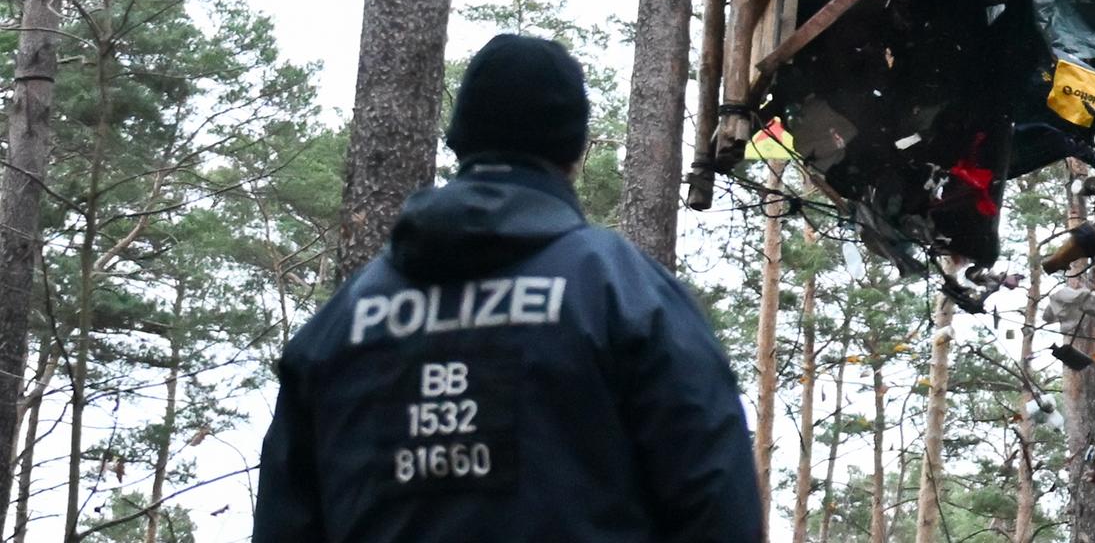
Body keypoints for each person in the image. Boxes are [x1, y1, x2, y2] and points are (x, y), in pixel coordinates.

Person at [254, 34, 761, 543]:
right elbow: (718, 504)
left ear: (460, 140)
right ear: (575, 151)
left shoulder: (340, 325)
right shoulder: (625, 296)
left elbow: (284, 523)